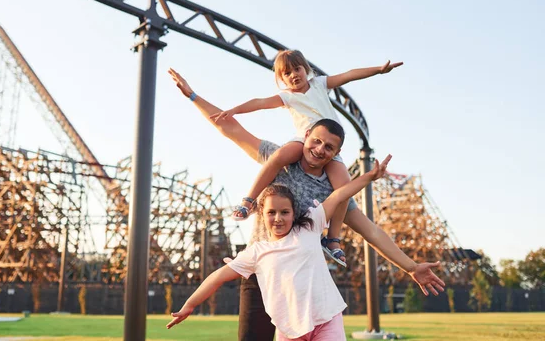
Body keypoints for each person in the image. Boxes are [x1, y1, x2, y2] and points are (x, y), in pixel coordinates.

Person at [168, 68, 445, 341]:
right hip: (260, 272)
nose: (319, 150)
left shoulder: (331, 190)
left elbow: (370, 231)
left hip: (304, 287)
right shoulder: (279, 158)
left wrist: (411, 267)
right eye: (316, 141)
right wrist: (193, 96)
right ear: (306, 135)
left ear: (336, 154)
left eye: (328, 148)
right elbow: (230, 128)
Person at [209, 50, 403, 267]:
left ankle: (333, 240)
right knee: (278, 157)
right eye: (286, 73)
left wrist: (377, 70)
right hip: (305, 141)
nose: (293, 75)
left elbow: (348, 75)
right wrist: (235, 110)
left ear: (306, 69)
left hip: (328, 143)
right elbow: (260, 102)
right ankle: (248, 200)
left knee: (344, 191)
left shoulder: (320, 84)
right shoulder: (287, 97)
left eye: (297, 69)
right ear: (281, 79)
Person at [167, 155, 394, 340]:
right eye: (271, 212)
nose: (278, 218)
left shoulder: (310, 226)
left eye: (284, 212)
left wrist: (370, 177)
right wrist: (189, 304)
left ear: (294, 213)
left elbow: (340, 194)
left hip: (325, 319)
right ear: (262, 214)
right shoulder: (256, 253)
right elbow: (217, 277)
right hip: (289, 329)